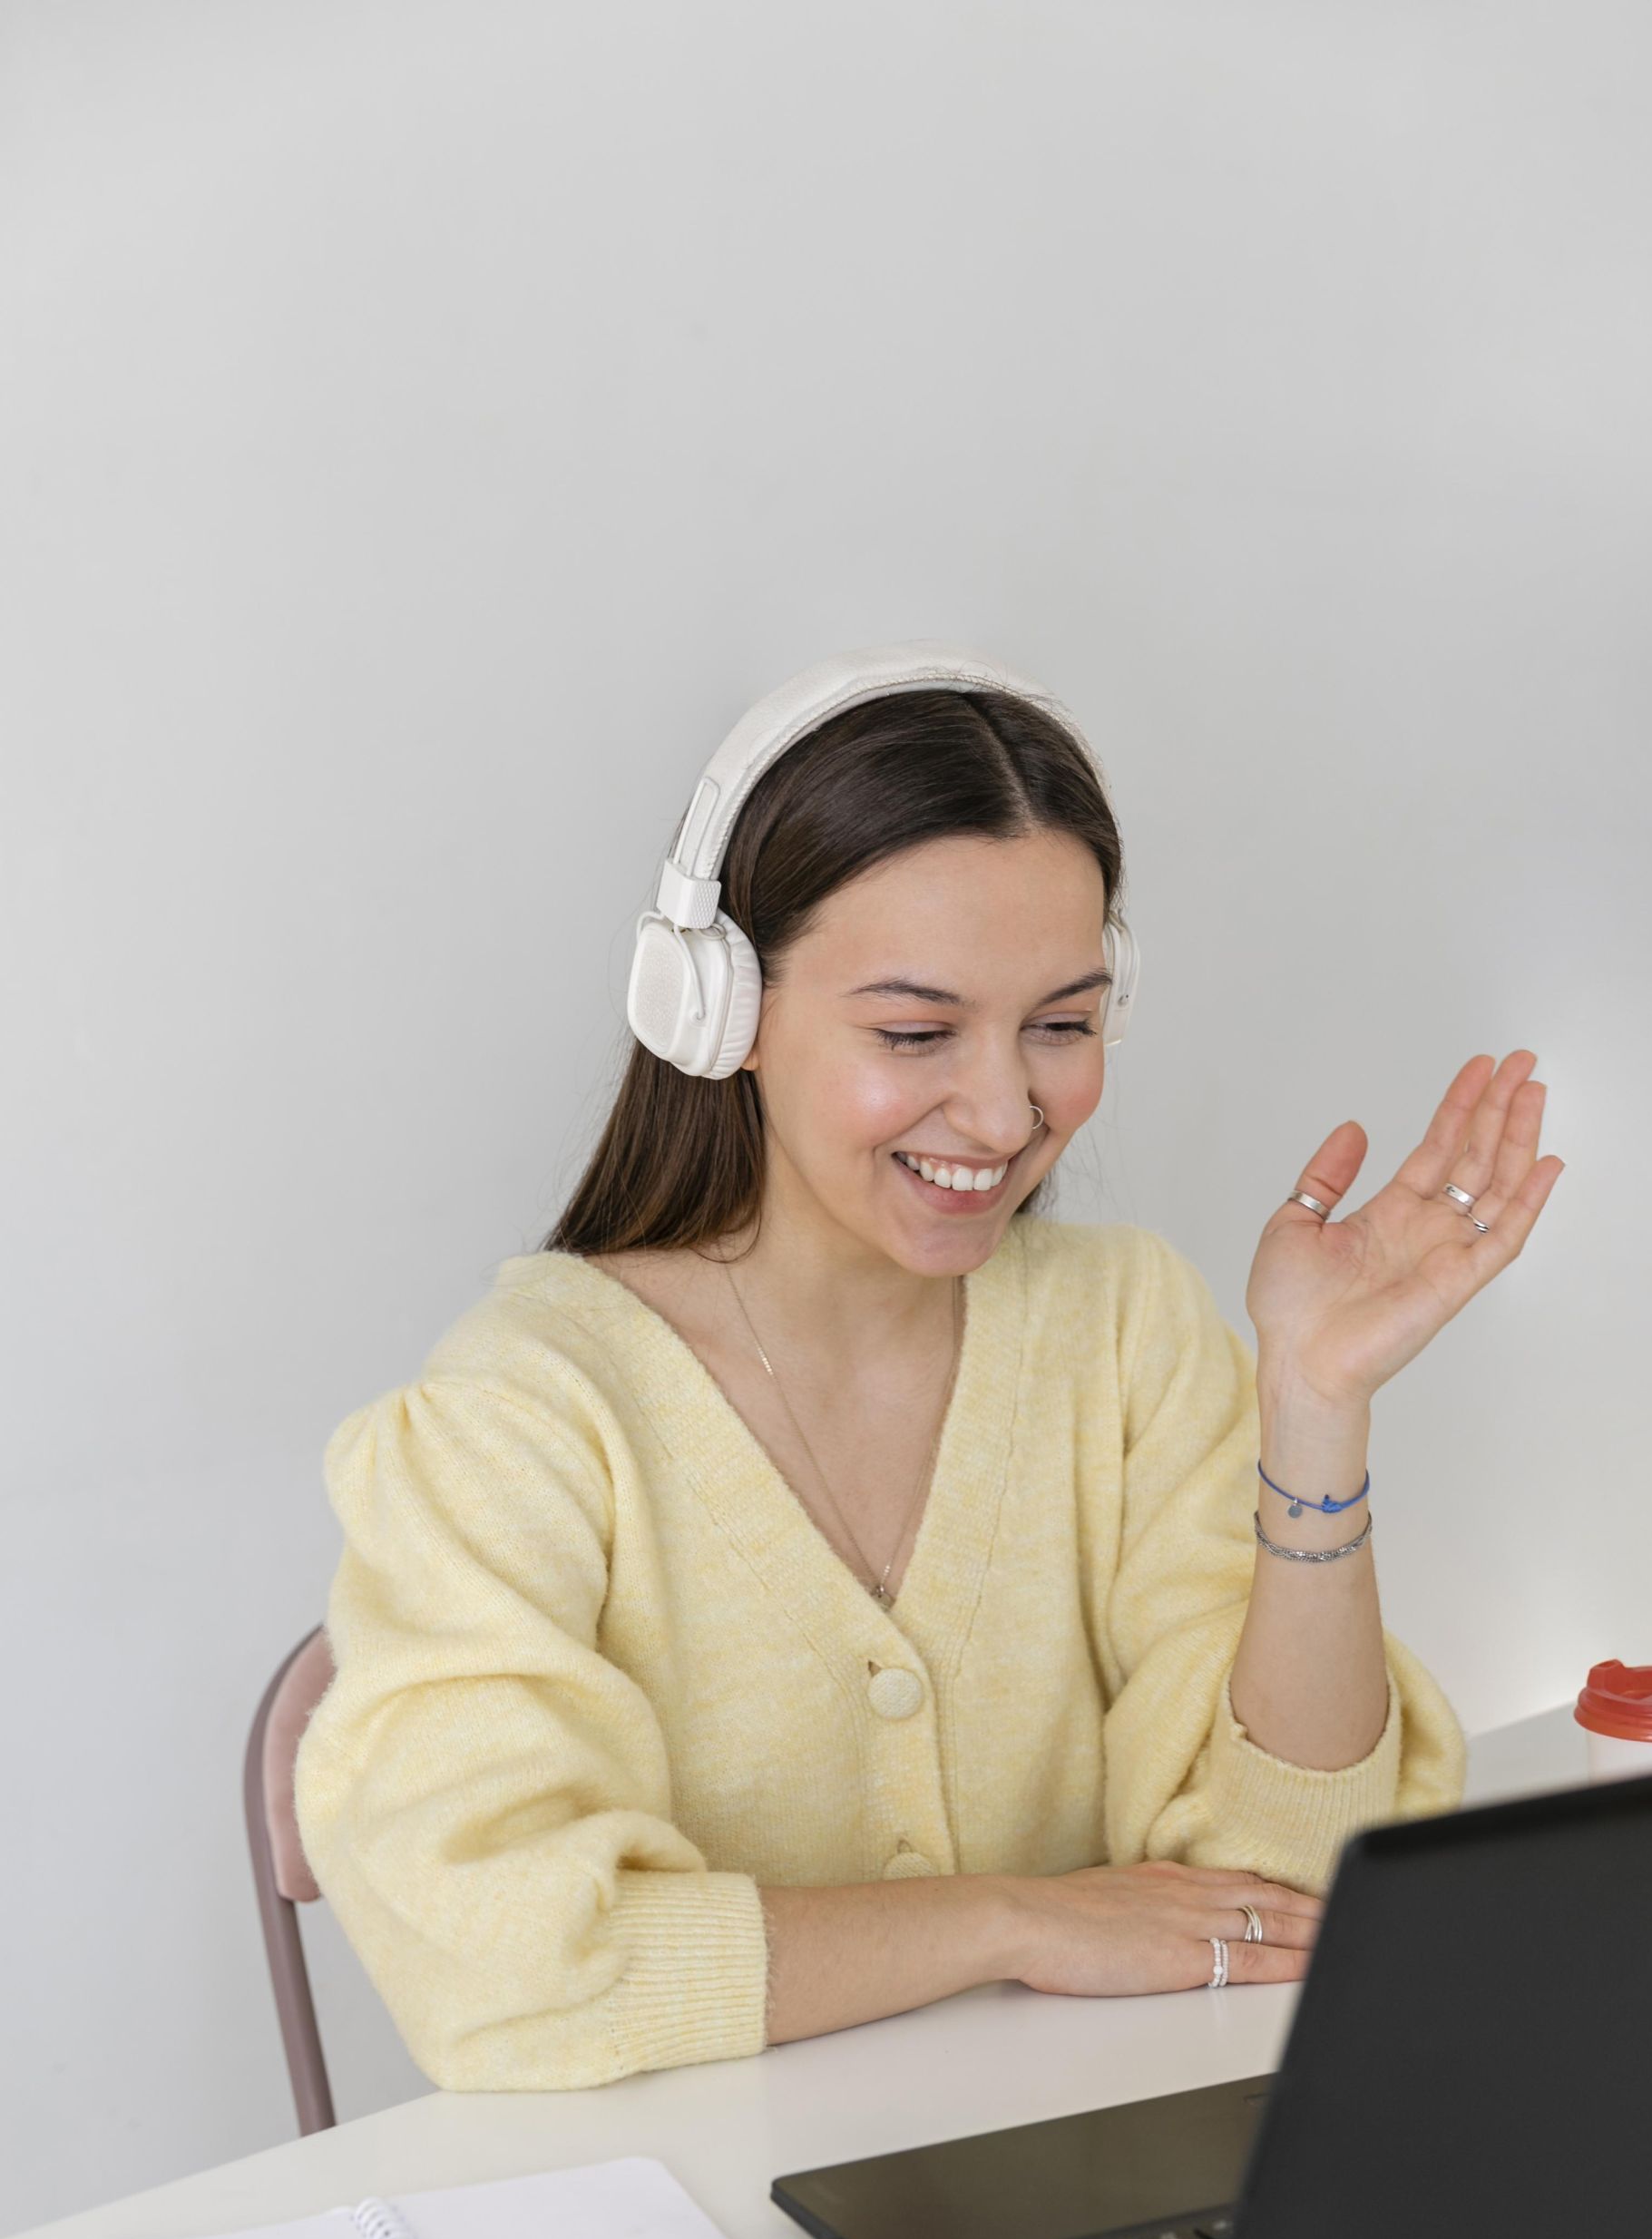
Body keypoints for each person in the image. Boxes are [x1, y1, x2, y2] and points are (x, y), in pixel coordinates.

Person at [296, 650, 1562, 2091]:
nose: (1008, 1107)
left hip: (1074, 2186)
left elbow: (1275, 1895)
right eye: (915, 1032)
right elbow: (505, 1968)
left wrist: (1318, 1413)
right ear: (720, 1012)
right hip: (688, 2235)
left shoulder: (1125, 1332)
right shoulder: (524, 1416)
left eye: (1063, 1025)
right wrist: (1011, 1922)